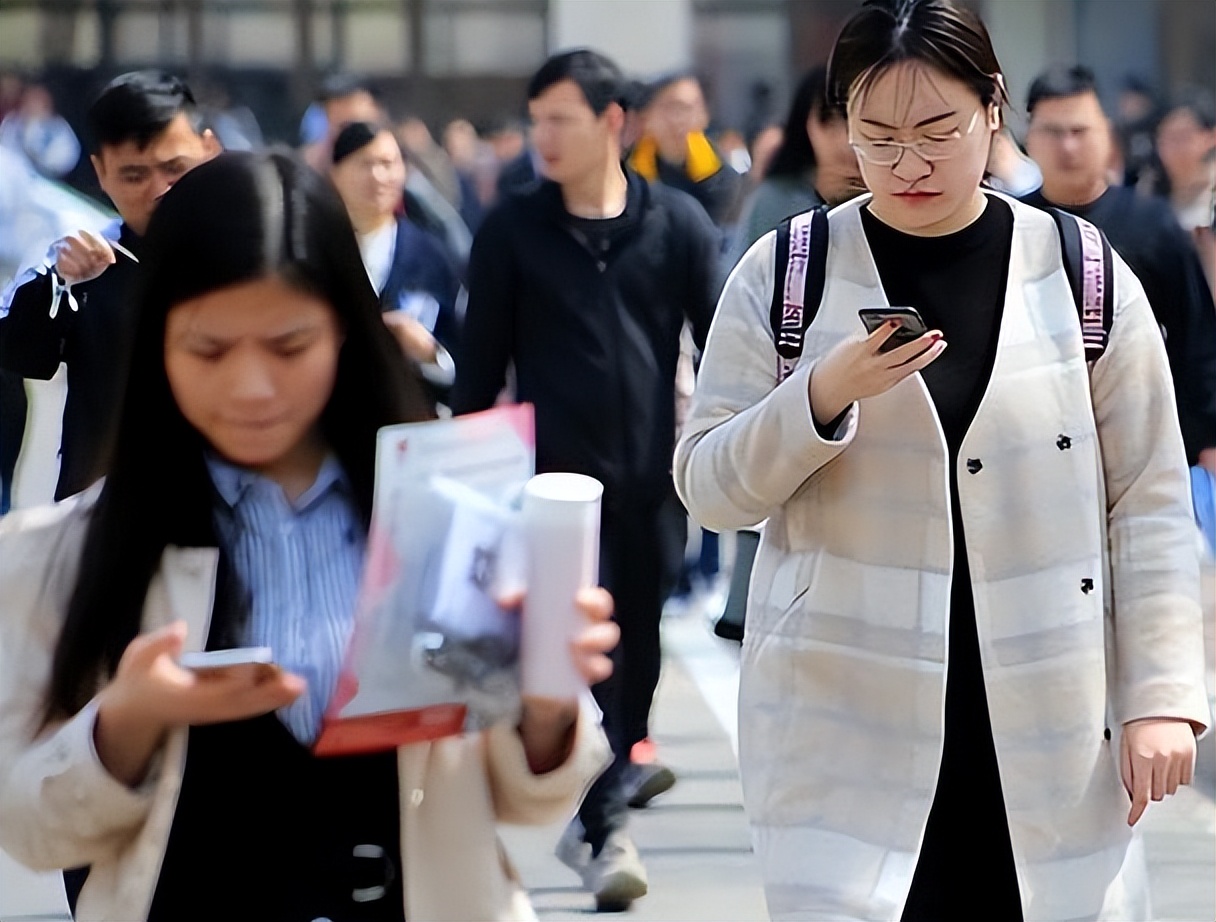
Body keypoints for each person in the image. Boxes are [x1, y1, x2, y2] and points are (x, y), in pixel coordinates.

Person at [673, 1, 1210, 920]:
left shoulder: (1079, 270)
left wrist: (1162, 696)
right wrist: (819, 395)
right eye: (876, 136)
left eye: (936, 131)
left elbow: (1149, 501)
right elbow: (709, 487)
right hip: (845, 717)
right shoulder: (787, 273)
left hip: (1047, 716)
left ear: (993, 110)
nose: (907, 163)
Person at [0, 150, 614, 922]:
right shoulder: (68, 550)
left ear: (346, 333)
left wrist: (547, 701)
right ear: (155, 344)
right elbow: (27, 828)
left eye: (289, 347)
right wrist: (126, 722)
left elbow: (530, 798)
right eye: (209, 349)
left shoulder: (451, 518)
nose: (252, 387)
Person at [451, 48, 721, 911]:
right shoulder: (512, 228)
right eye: (535, 122)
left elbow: (721, 346)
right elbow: (477, 369)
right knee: (576, 661)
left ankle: (598, 813)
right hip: (551, 496)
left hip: (653, 483)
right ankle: (602, 828)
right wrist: (466, 489)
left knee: (639, 659)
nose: (542, 138)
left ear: (613, 123)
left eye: (559, 119)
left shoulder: (675, 224)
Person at [0, 70, 220, 502]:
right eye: (135, 175)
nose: (160, 190)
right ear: (101, 172)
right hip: (107, 516)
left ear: (210, 149)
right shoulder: (86, 262)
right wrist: (60, 283)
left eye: (175, 169)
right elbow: (17, 350)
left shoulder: (255, 254)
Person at [1021, 66, 1216, 475]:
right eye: (1053, 132)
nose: (1068, 147)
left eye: (1080, 130)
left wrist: (1206, 438)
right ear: (1029, 139)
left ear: (1106, 134)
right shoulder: (1012, 224)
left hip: (1146, 439)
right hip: (1035, 445)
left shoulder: (1151, 222)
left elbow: (1196, 337)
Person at [329, 120, 462, 408]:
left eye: (388, 163)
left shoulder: (429, 255)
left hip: (412, 421)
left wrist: (428, 352)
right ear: (336, 173)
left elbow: (462, 351)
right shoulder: (317, 251)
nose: (378, 176)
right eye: (364, 164)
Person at [726, 65, 865, 268]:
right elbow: (743, 281)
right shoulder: (773, 200)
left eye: (855, 121)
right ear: (805, 123)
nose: (844, 139)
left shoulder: (891, 195)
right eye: (830, 121)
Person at [627, 71, 743, 227]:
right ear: (647, 117)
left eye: (688, 109)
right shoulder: (630, 175)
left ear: (705, 116)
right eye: (671, 108)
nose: (679, 120)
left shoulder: (724, 179)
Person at [1154, 87, 1216, 234]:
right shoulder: (1147, 194)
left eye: (1183, 137)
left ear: (1211, 137)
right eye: (1166, 138)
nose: (1174, 148)